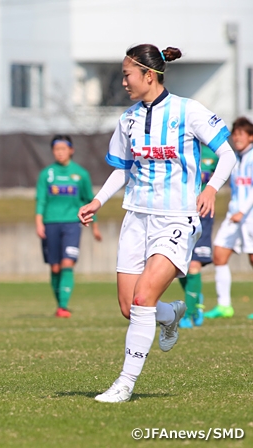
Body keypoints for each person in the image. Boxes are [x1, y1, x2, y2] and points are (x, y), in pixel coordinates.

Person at [78, 44, 236, 403]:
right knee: (129, 307)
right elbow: (123, 168)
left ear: (149, 75)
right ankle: (171, 314)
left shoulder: (187, 110)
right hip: (136, 217)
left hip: (176, 218)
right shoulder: (128, 119)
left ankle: (124, 384)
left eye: (127, 74)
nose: (123, 82)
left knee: (143, 297)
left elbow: (226, 153)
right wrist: (98, 201)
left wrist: (211, 189)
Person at [35, 135, 102, 318]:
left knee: (67, 262)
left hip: (72, 223)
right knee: (55, 267)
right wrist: (39, 222)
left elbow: (90, 201)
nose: (60, 153)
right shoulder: (46, 174)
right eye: (57, 150)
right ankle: (60, 305)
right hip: (50, 223)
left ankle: (63, 306)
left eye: (63, 149)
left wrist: (95, 226)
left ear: (71, 150)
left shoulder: (80, 174)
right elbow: (41, 200)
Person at [204, 116, 253, 320]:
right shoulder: (233, 157)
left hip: (249, 216)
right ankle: (224, 306)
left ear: (250, 137)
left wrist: (243, 210)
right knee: (220, 254)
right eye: (235, 134)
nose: (237, 138)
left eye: (241, 134)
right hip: (234, 216)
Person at [177, 143, 218, 328]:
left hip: (203, 214)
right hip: (177, 214)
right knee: (178, 267)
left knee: (194, 265)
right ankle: (195, 297)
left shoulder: (215, 154)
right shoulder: (177, 149)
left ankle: (189, 313)